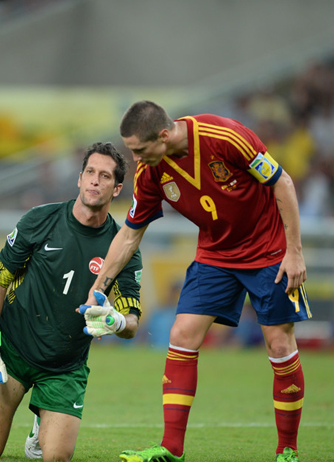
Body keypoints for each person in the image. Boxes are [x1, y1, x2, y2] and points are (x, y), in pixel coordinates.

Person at [87, 101, 311, 462]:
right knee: (182, 335)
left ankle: (287, 450)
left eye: (139, 149)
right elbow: (129, 235)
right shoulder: (150, 172)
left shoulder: (225, 136)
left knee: (279, 344)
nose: (134, 157)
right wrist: (97, 288)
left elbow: (281, 182)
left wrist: (295, 252)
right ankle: (172, 448)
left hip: (269, 252)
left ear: (163, 135)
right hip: (215, 256)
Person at [0, 142, 143, 461]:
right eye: (89, 172)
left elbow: (132, 322)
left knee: (56, 456)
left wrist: (117, 321)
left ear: (117, 189)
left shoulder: (123, 247)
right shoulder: (40, 220)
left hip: (65, 367)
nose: (94, 181)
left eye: (104, 176)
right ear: (79, 178)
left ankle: (43, 421)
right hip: (15, 352)